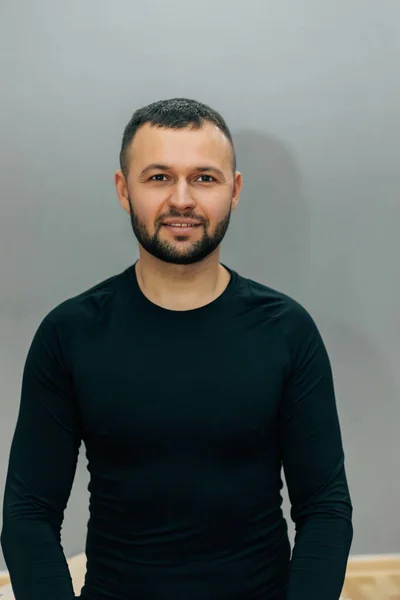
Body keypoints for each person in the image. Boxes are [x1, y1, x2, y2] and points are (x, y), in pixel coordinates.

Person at [1, 98, 353, 600]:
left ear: (234, 191)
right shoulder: (69, 334)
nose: (182, 199)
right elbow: (28, 516)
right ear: (124, 190)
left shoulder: (288, 331)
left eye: (204, 178)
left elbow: (325, 508)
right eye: (159, 177)